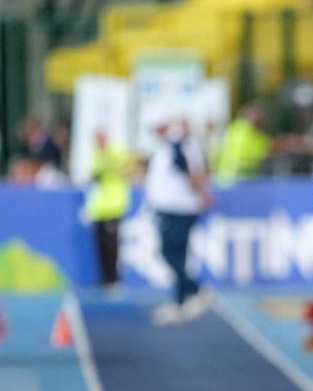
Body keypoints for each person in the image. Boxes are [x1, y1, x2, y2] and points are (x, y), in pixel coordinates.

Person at [145, 114, 214, 325]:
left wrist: (199, 190)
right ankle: (181, 298)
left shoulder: (178, 142)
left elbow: (184, 166)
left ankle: (192, 291)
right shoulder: (178, 144)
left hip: (178, 207)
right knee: (176, 254)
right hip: (174, 206)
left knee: (170, 252)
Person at [85, 129, 133, 291]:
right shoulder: (96, 154)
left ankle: (114, 279)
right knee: (100, 245)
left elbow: (127, 171)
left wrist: (108, 159)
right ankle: (105, 278)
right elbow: (95, 175)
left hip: (114, 206)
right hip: (99, 208)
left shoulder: (117, 151)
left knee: (111, 244)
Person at [213, 102, 272, 185]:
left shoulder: (234, 127)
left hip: (227, 178)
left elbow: (217, 150)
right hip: (236, 179)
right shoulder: (243, 131)